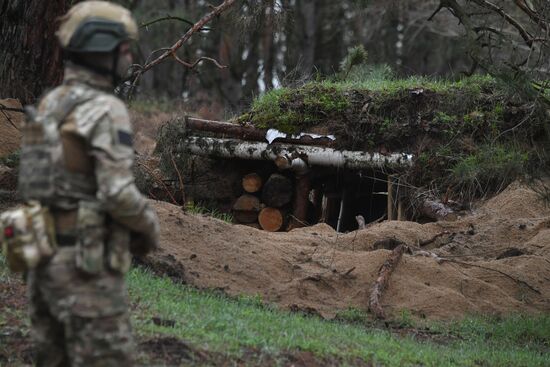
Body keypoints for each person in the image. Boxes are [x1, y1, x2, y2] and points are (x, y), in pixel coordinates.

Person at [18, 1, 159, 365]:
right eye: (124, 49)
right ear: (101, 50)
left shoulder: (51, 103)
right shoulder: (105, 110)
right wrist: (148, 227)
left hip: (40, 261)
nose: (129, 58)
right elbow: (116, 193)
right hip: (83, 267)